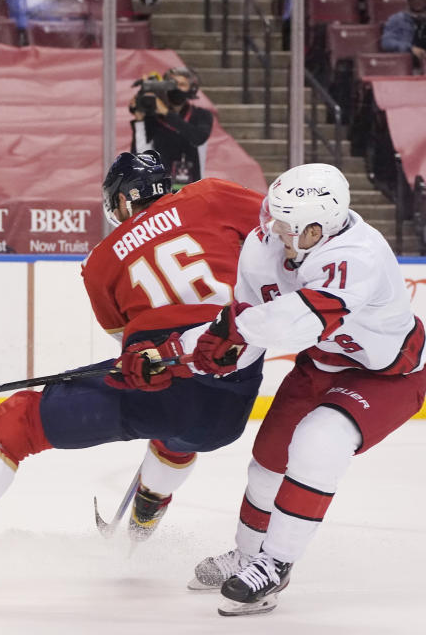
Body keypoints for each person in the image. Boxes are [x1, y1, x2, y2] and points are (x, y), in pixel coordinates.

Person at [0, 151, 266, 595]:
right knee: (182, 428)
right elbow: (283, 233)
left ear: (124, 202)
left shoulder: (100, 262)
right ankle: (141, 527)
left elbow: (128, 344)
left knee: (21, 417)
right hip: (232, 405)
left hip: (168, 391)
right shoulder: (213, 194)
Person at [178, 163, 426, 616]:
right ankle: (248, 554)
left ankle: (275, 565)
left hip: (387, 376)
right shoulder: (264, 246)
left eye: (285, 222)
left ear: (317, 228)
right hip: (320, 365)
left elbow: (297, 323)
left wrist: (230, 332)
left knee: (319, 441)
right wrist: (203, 357)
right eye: (273, 214)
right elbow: (245, 323)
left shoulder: (359, 255)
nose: (272, 228)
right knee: (268, 459)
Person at [129, 67, 212, 190]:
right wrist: (140, 121)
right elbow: (141, 155)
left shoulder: (201, 115)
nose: (177, 88)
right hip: (162, 190)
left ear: (191, 88)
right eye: (172, 83)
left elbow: (198, 137)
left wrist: (167, 113)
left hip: (193, 188)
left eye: (182, 84)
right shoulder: (154, 117)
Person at [381, 0, 426, 71]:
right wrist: (410, 49)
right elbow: (386, 42)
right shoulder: (396, 19)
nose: (417, 1)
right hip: (407, 67)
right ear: (408, 0)